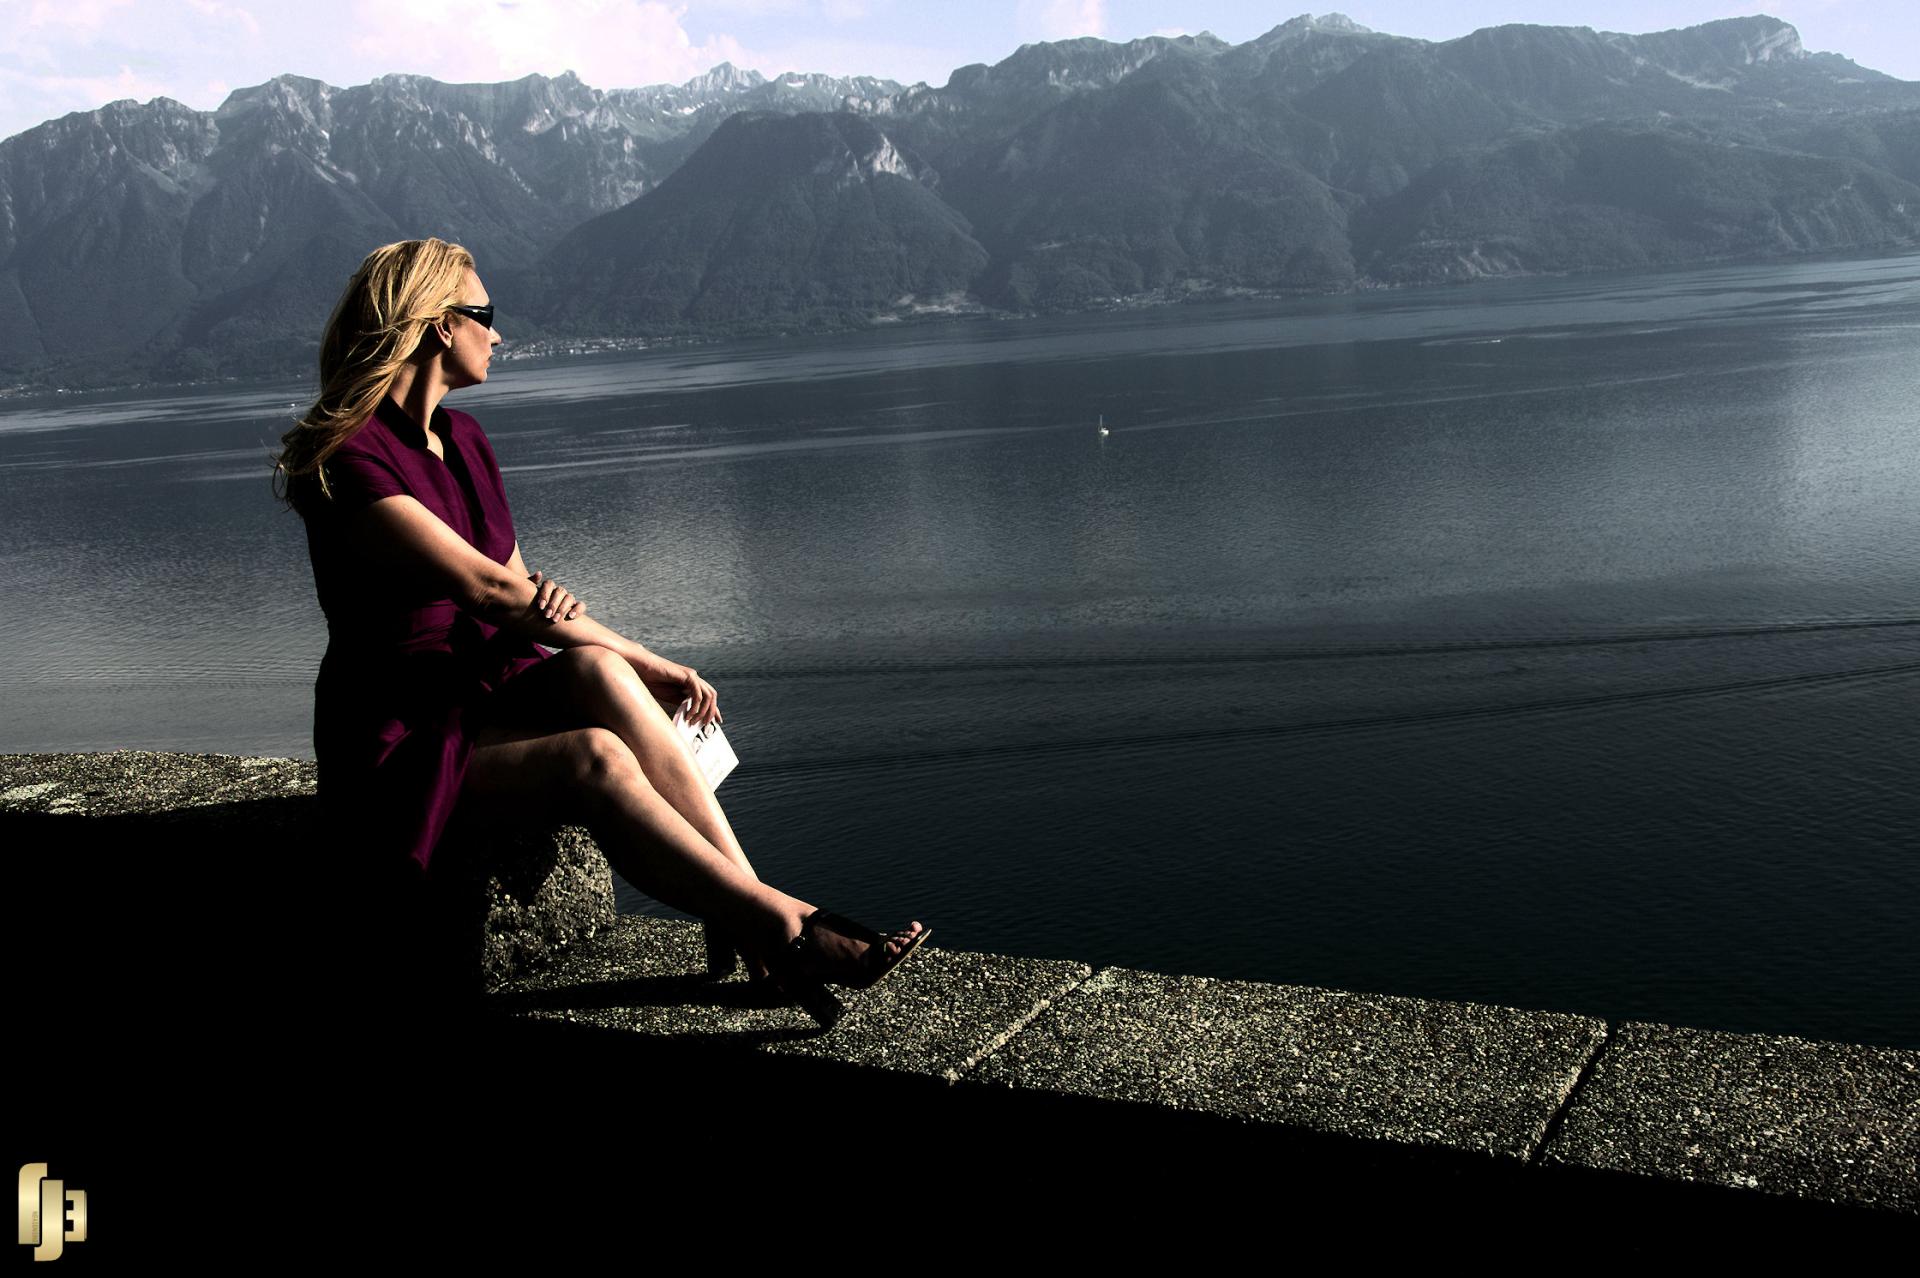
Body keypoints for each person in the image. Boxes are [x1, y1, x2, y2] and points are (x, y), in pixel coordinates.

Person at [272, 237, 926, 1028]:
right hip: (399, 733)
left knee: (606, 679)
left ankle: (748, 905)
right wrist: (542, 608)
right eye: (486, 316)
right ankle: (784, 926)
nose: (499, 335)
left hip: (480, 690)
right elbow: (494, 590)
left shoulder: (467, 441)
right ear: (441, 325)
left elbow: (526, 597)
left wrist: (648, 662)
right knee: (597, 753)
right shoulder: (350, 458)